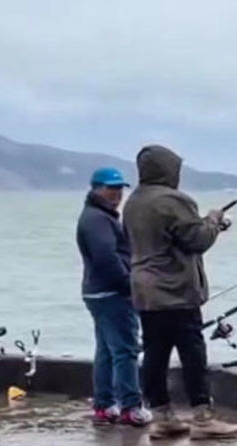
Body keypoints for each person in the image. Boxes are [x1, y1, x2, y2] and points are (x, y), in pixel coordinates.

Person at [122, 144, 237, 440]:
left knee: (155, 353)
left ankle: (162, 416)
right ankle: (202, 418)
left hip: (144, 290)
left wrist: (205, 225)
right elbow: (198, 239)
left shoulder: (133, 202)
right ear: (168, 170)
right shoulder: (173, 200)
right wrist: (213, 220)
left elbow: (174, 236)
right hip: (175, 291)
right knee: (192, 352)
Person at [76, 167, 151, 426]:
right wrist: (128, 286)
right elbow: (107, 258)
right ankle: (131, 406)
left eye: (120, 188)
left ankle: (105, 404)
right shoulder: (98, 220)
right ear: (96, 189)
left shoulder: (97, 216)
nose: (117, 193)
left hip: (96, 292)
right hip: (111, 293)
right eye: (111, 188)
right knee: (125, 350)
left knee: (107, 350)